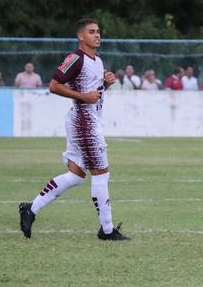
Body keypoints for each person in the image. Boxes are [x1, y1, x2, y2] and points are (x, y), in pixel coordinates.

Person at [18, 18, 129, 241]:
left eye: (98, 31)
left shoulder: (97, 60)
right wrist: (83, 97)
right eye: (91, 32)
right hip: (84, 122)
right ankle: (106, 231)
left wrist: (105, 84)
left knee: (77, 175)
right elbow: (54, 85)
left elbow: (93, 91)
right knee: (101, 173)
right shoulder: (75, 58)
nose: (97, 35)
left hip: (88, 120)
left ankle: (30, 209)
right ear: (81, 36)